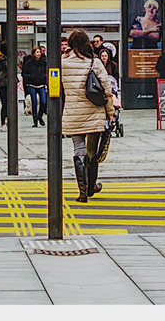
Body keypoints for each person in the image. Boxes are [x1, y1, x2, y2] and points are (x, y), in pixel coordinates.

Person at [61, 29, 115, 203]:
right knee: (92, 152)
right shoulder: (94, 62)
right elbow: (107, 89)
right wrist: (110, 111)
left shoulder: (62, 62)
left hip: (73, 112)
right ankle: (91, 185)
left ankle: (82, 192)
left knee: (78, 150)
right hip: (94, 112)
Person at [22, 45, 49, 127]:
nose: (39, 54)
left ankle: (39, 116)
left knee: (43, 101)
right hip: (32, 84)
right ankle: (35, 120)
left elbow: (47, 72)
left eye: (40, 52)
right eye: (37, 52)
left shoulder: (44, 62)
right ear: (33, 53)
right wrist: (29, 78)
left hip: (41, 84)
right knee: (33, 102)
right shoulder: (29, 63)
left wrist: (45, 79)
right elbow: (24, 73)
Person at [0, 47, 11, 128]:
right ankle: (5, 119)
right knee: (6, 103)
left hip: (1, 84)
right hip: (4, 83)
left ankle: (4, 120)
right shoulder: (2, 62)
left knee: (4, 103)